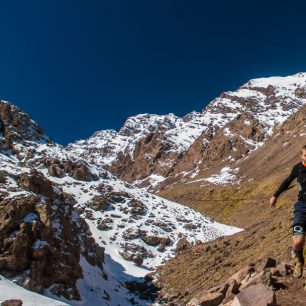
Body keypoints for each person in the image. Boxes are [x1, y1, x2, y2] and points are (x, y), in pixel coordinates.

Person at [270, 145, 306, 278]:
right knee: (297, 241)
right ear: (301, 156)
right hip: (301, 206)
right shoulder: (297, 168)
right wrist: (275, 195)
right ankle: (299, 260)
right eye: (305, 155)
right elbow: (287, 182)